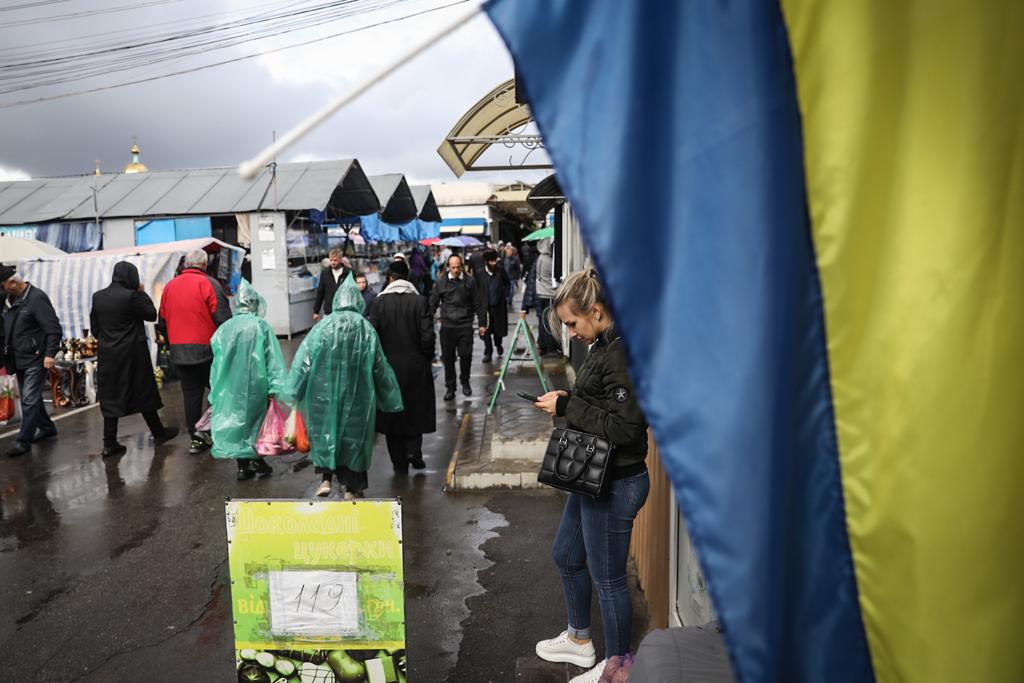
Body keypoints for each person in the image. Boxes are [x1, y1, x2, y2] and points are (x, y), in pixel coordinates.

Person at [531, 269, 650, 683]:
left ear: (596, 311)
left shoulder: (621, 351)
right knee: (566, 554)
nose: (570, 331)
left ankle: (618, 668)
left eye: (572, 322)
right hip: (594, 477)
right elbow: (601, 407)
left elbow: (625, 428)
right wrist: (566, 399)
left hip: (616, 481)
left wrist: (567, 407)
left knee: (610, 579)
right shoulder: (605, 343)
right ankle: (580, 640)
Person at [284, 274, 403, 499]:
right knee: (354, 439)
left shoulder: (322, 328)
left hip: (323, 396)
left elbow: (304, 362)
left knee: (326, 434)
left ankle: (326, 479)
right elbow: (379, 365)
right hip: (358, 396)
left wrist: (294, 391)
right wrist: (390, 397)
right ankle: (351, 488)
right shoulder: (365, 329)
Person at [90, 262, 179, 457]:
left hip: (109, 355)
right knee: (143, 392)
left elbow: (95, 328)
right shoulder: (132, 296)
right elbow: (150, 314)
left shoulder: (98, 297)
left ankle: (109, 442)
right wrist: (141, 292)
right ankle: (158, 432)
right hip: (133, 354)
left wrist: (108, 342)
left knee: (111, 397)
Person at [209, 279, 287, 480]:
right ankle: (256, 460)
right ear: (255, 304)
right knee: (256, 423)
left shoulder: (225, 329)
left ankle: (243, 466)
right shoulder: (261, 326)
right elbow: (272, 359)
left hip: (231, 386)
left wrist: (217, 387)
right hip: (256, 385)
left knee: (238, 424)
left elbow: (217, 361)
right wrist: (275, 385)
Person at [158, 249, 231, 454]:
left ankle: (195, 438)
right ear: (205, 265)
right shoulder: (209, 284)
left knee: (191, 395)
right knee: (219, 392)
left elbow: (161, 321)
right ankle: (218, 432)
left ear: (185, 264)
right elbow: (224, 319)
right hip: (207, 350)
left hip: (180, 351)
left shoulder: (170, 287)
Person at [369, 260, 436, 474]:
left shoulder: (379, 303)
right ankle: (414, 452)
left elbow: (373, 336)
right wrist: (425, 357)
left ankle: (398, 462)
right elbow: (428, 336)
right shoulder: (420, 301)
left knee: (391, 412)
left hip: (387, 367)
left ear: (390, 277)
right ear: (407, 277)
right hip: (415, 365)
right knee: (414, 408)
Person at [1, 267, 61, 457]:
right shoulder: (9, 300)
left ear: (12, 283)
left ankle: (23, 441)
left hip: (36, 358)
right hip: (18, 358)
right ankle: (47, 427)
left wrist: (50, 354)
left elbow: (53, 328)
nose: (1, 290)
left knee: (28, 398)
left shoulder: (36, 298)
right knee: (32, 398)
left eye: (2, 286)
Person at [429, 254, 482, 401]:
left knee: (466, 355)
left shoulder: (470, 281)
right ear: (448, 267)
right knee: (448, 358)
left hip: (465, 324)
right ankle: (450, 388)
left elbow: (477, 302)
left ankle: (465, 381)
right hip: (447, 325)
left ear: (462, 266)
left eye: (458, 267)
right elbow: (433, 303)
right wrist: (427, 322)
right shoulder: (441, 282)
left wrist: (483, 323)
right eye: (453, 267)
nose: (456, 270)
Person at [474, 249, 511, 363]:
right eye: (491, 261)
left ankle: (498, 344)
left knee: (498, 330)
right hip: (485, 308)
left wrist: (504, 295)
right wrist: (478, 303)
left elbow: (507, 284)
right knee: (486, 331)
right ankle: (488, 353)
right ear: (486, 262)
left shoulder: (500, 271)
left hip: (498, 306)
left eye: (495, 261)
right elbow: (476, 289)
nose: (494, 263)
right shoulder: (480, 274)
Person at [534, 237, 560, 355]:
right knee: (549, 322)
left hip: (541, 292)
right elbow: (555, 276)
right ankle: (550, 348)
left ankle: (542, 344)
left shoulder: (540, 258)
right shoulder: (549, 261)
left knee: (542, 321)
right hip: (548, 294)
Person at [313, 249, 350, 321]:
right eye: (331, 260)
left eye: (335, 260)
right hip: (329, 312)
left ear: (340, 260)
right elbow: (320, 292)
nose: (333, 262)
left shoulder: (348, 272)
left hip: (344, 311)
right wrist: (316, 311)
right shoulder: (325, 273)